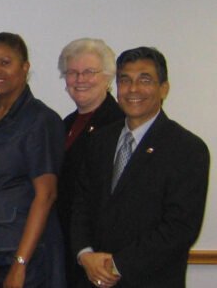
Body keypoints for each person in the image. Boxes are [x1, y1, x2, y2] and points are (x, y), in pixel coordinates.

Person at [71, 47, 210, 288]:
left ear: (163, 88)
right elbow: (80, 205)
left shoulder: (187, 148)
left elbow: (180, 227)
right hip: (92, 279)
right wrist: (85, 254)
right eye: (125, 80)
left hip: (151, 280)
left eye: (144, 80)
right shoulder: (99, 141)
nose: (133, 89)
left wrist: (116, 265)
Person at [0, 32, 65, 288]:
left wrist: (20, 264)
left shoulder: (40, 119)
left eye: (5, 62)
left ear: (25, 67)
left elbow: (46, 195)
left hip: (20, 252)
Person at [56, 38, 124, 286]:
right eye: (72, 72)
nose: (80, 79)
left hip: (100, 258)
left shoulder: (119, 124)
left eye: (89, 72)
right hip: (69, 249)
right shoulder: (66, 124)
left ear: (107, 77)